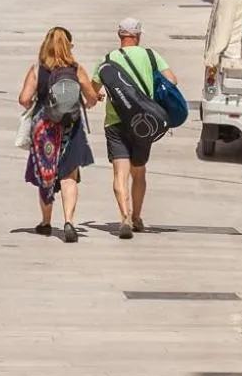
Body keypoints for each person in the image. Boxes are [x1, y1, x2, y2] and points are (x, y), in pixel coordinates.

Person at [19, 27, 101, 242]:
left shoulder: (38, 70)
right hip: (70, 127)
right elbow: (91, 99)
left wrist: (37, 102)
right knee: (69, 175)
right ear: (68, 46)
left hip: (45, 128)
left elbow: (24, 99)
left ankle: (46, 222)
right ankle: (69, 221)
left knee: (46, 174)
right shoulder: (76, 69)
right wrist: (87, 102)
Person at [96, 17, 171, 239]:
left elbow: (92, 90)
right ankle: (137, 217)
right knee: (139, 172)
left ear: (119, 35)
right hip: (143, 124)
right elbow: (172, 80)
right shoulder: (150, 56)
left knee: (120, 173)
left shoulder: (108, 59)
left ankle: (125, 217)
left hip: (115, 121)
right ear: (137, 36)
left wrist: (96, 96)